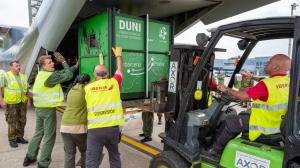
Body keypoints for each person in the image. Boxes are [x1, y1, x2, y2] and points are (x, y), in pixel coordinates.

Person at [208, 54, 291, 158]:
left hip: (263, 127)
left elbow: (244, 97)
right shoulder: (289, 82)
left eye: (269, 61)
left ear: (276, 67)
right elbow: (262, 80)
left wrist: (226, 89)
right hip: (278, 124)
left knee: (230, 121)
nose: (266, 63)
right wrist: (251, 77)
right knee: (243, 114)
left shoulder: (266, 84)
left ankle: (214, 152)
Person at [23, 53, 78, 168]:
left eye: (52, 61)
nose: (53, 63)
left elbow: (61, 73)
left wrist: (75, 67)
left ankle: (30, 157)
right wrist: (63, 62)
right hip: (47, 110)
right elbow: (67, 75)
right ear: (43, 66)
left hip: (39, 108)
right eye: (49, 63)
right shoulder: (50, 77)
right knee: (49, 136)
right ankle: (43, 163)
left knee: (38, 133)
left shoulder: (42, 74)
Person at [85, 47, 123, 168]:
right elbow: (119, 68)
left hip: (95, 130)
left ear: (94, 75)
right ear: (107, 74)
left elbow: (99, 79)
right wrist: (118, 56)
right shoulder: (115, 83)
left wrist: (100, 63)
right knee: (114, 157)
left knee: (92, 161)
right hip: (112, 129)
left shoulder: (88, 88)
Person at [60, 74, 90, 168]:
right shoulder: (85, 90)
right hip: (78, 127)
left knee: (69, 153)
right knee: (85, 151)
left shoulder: (71, 90)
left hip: (64, 126)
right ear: (86, 82)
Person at [0, 61, 29, 148]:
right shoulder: (6, 76)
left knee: (22, 120)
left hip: (22, 101)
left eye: (19, 65)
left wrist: (29, 101)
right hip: (11, 102)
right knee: (12, 121)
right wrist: (1, 101)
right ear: (11, 67)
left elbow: (26, 89)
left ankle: (20, 137)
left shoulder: (23, 76)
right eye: (16, 66)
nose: (19, 67)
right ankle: (12, 139)